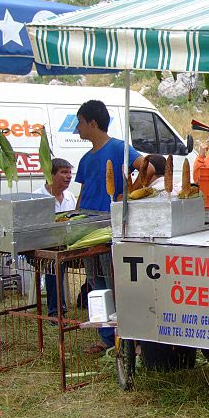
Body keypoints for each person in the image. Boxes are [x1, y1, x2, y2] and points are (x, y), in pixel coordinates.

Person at [75, 100, 152, 353]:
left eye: (80, 122)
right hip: (87, 227)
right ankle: (105, 337)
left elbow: (148, 168)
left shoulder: (119, 148)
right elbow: (83, 191)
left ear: (93, 123)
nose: (78, 128)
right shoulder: (86, 158)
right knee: (95, 283)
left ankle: (126, 338)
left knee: (113, 282)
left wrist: (128, 194)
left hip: (110, 227)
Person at [33, 158, 77, 319]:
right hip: (42, 247)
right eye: (64, 172)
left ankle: (85, 299)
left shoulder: (70, 196)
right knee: (54, 263)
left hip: (67, 245)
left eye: (70, 173)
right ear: (50, 175)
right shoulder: (37, 197)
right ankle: (56, 311)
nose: (68, 177)